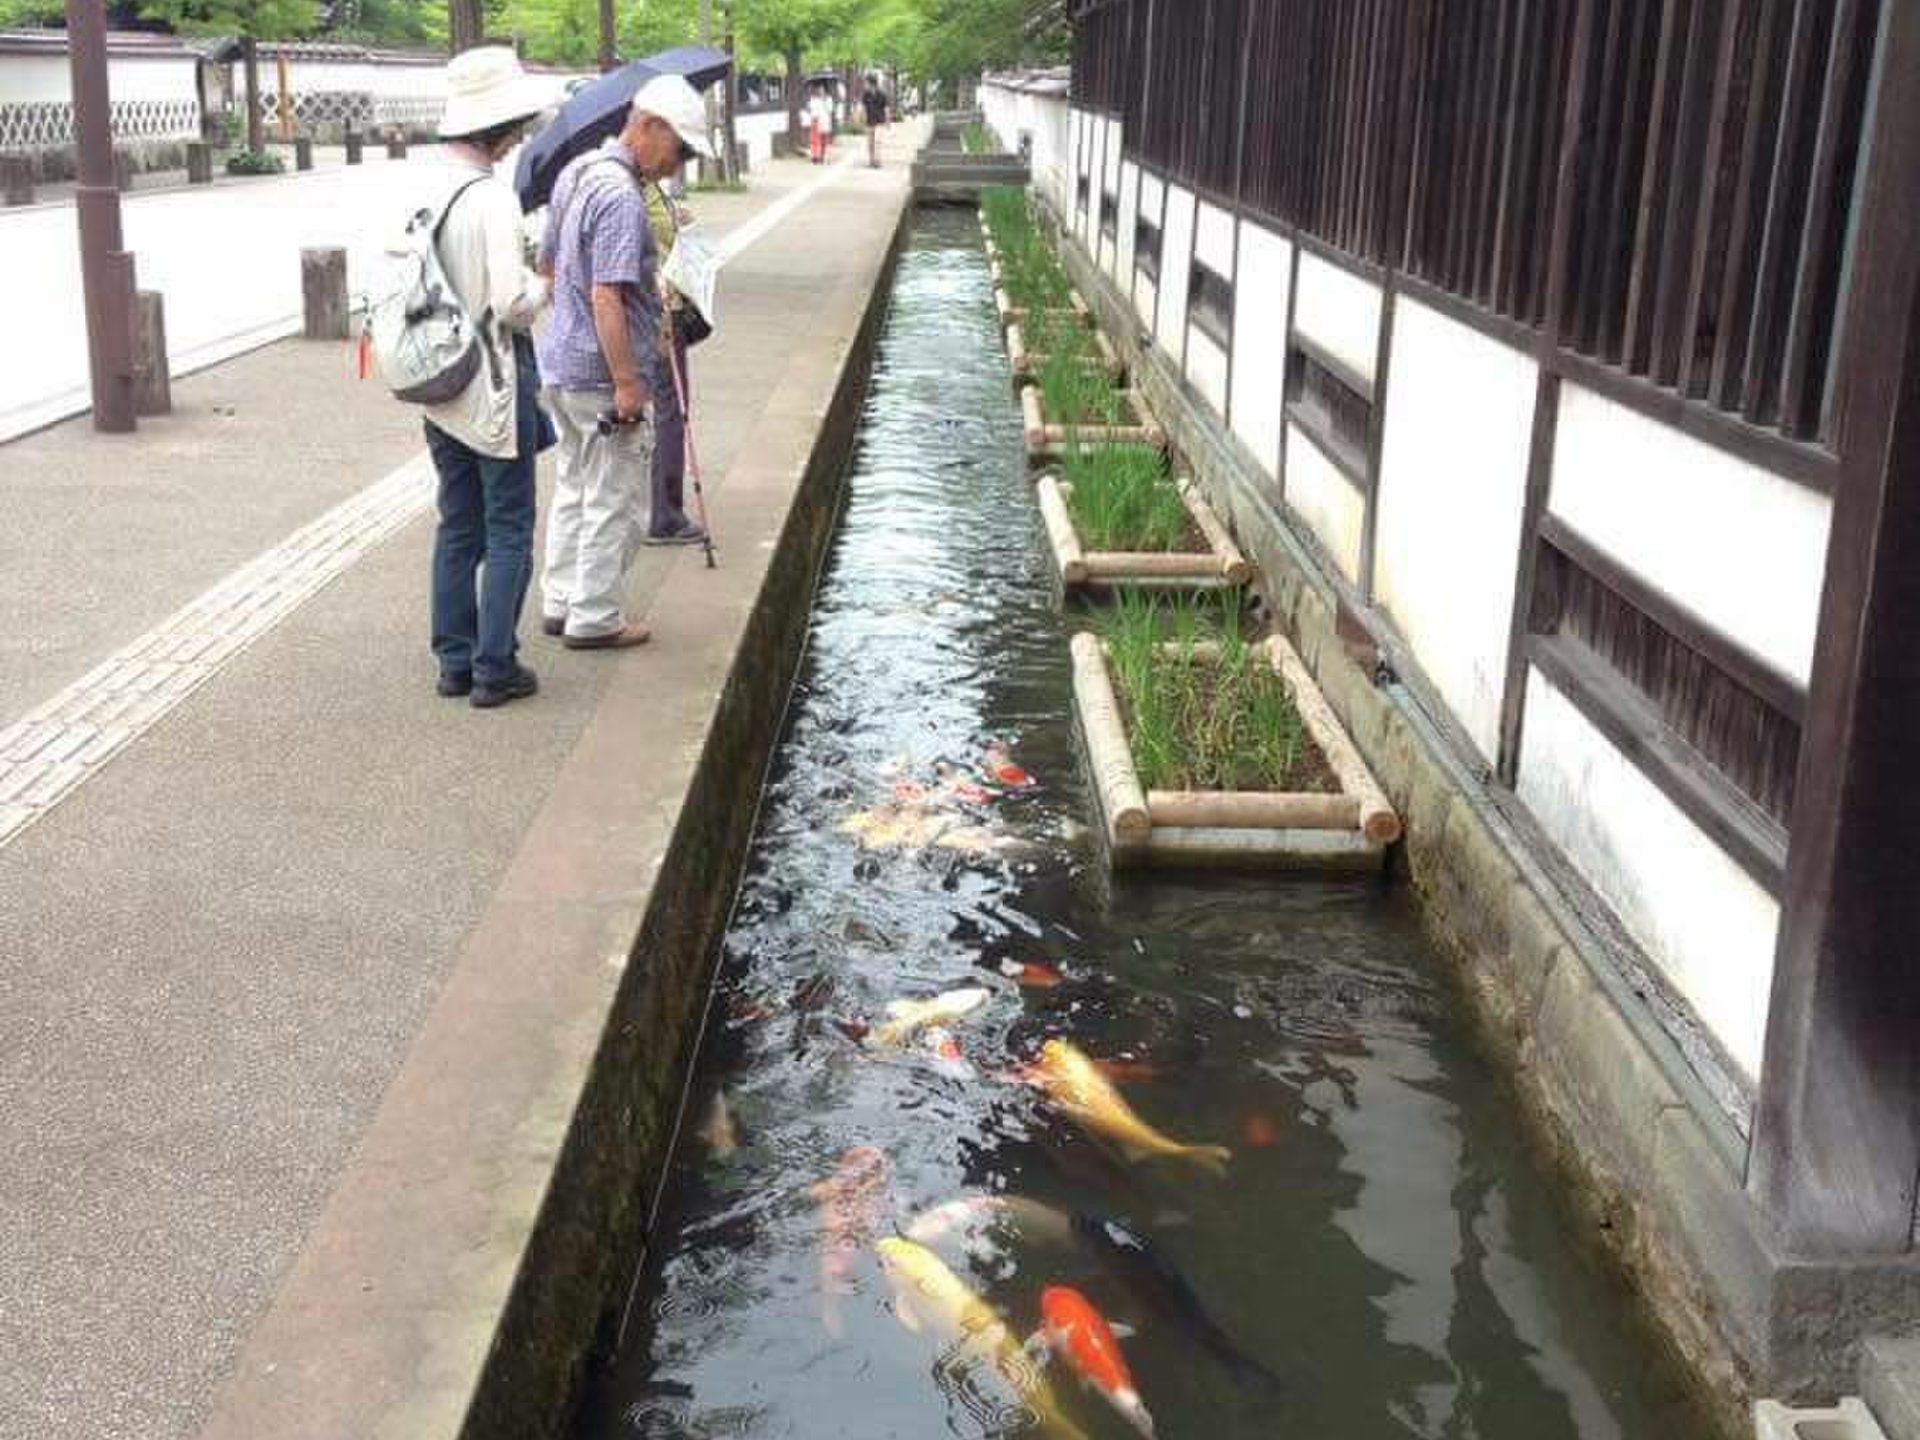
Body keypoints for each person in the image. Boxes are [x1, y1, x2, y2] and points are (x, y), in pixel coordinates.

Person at [536, 76, 714, 650]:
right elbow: (606, 296)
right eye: (680, 148)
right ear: (648, 126)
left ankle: (561, 600)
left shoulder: (575, 174)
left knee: (574, 484)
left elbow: (549, 266)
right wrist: (629, 383)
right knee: (616, 497)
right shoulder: (620, 195)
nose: (679, 163)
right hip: (601, 374)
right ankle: (597, 615)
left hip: (562, 363)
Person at [421, 46, 551, 709]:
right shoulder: (492, 200)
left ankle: (454, 659)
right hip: (495, 381)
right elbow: (512, 303)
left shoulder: (421, 188)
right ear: (495, 125)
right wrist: (542, 281)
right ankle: (495, 667)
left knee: (459, 522)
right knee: (507, 524)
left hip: (438, 380)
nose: (522, 132)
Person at [644, 179, 707, 546]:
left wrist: (676, 218)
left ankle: (659, 508)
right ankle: (665, 514)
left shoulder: (645, 183)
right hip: (662, 313)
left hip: (665, 307)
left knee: (666, 411)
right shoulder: (632, 186)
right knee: (670, 411)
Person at [860, 75, 889, 169]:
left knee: (878, 141)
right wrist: (863, 121)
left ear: (871, 83)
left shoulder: (882, 94)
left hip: (880, 121)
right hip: (869, 121)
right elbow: (864, 108)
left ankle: (877, 160)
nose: (865, 84)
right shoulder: (865, 94)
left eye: (866, 83)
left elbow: (886, 108)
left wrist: (888, 121)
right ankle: (871, 160)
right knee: (870, 143)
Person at [807, 83, 834, 164]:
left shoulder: (829, 99)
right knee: (815, 140)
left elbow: (830, 110)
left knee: (824, 140)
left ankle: (823, 156)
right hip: (816, 120)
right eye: (819, 89)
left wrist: (824, 101)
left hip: (825, 121)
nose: (820, 91)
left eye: (822, 89)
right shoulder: (814, 99)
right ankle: (815, 156)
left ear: (825, 90)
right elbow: (811, 109)